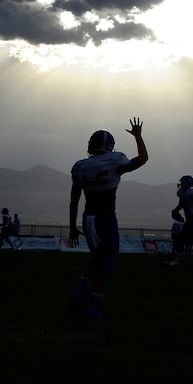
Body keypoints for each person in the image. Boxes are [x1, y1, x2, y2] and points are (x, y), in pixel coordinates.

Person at [69, 117, 148, 318]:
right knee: (106, 265)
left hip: (88, 219)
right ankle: (93, 306)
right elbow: (143, 158)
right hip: (105, 219)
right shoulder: (115, 162)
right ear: (110, 146)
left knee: (97, 262)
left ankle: (77, 296)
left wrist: (72, 227)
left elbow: (74, 200)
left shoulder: (80, 166)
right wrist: (138, 136)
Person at [168, 174, 193, 267]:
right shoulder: (181, 193)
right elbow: (181, 204)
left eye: (183, 182)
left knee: (180, 238)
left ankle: (176, 262)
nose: (181, 184)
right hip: (189, 219)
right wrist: (176, 209)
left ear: (188, 183)